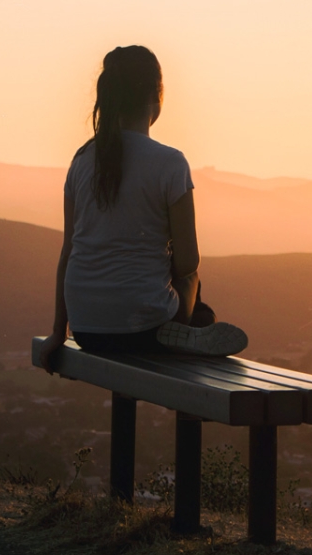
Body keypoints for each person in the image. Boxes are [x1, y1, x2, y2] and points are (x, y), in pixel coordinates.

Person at [38, 45, 247, 373]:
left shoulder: (81, 160)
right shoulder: (170, 163)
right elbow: (188, 262)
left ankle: (185, 328)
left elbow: (68, 253)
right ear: (156, 95)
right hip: (146, 327)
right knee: (194, 285)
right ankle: (190, 327)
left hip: (87, 330)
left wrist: (57, 332)